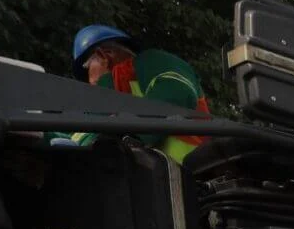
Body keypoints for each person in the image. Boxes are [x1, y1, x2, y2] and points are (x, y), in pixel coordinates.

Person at [61, 24, 210, 162]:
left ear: (103, 56)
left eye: (87, 70)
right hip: (149, 181)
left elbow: (177, 93)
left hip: (192, 175)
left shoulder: (152, 62)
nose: (89, 81)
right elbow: (80, 137)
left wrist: (125, 133)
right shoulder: (117, 94)